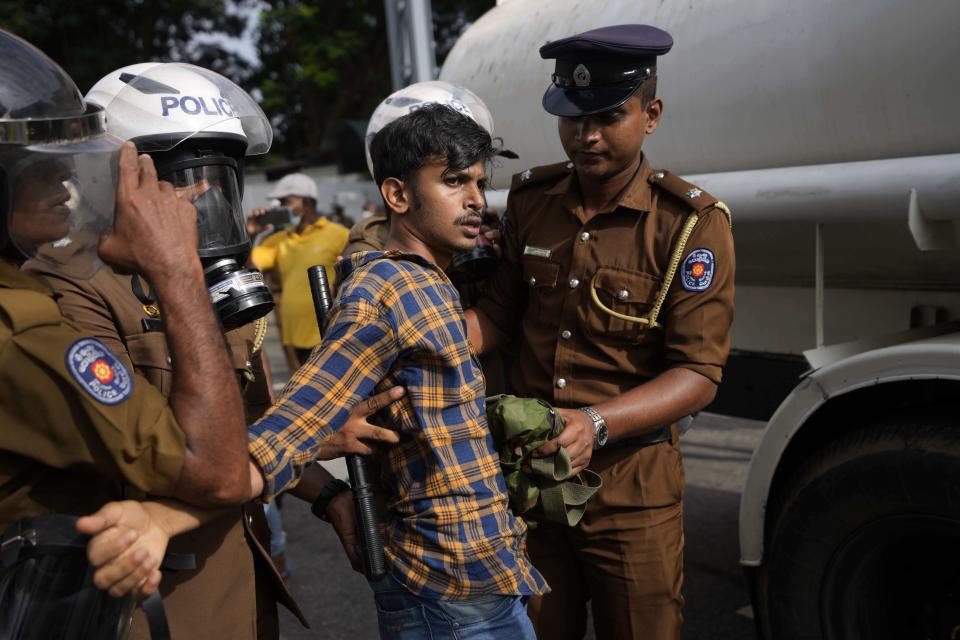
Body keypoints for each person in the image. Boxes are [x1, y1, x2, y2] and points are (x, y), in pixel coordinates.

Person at [83, 104, 548, 640]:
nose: (473, 199)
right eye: (452, 182)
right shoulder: (386, 290)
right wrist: (164, 520)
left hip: (481, 576)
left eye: (477, 183)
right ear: (397, 196)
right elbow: (298, 422)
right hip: (450, 596)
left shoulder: (433, 281)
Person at [465, 24, 736, 640]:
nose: (585, 136)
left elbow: (698, 373)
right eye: (571, 117)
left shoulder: (688, 225)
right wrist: (418, 333)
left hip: (630, 495)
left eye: (609, 116)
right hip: (531, 485)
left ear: (651, 115)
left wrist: (597, 423)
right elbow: (497, 319)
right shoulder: (532, 202)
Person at [23, 61, 305, 640]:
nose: (202, 199)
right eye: (178, 176)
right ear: (105, 179)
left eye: (219, 177)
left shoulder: (202, 285)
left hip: (241, 594)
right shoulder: (64, 289)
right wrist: (298, 442)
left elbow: (251, 421)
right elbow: (207, 470)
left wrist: (324, 489)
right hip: (158, 611)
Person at [248, 172, 349, 365]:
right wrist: (250, 236)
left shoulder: (339, 234)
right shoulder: (276, 241)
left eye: (285, 201)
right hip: (293, 337)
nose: (279, 207)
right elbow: (251, 270)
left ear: (307, 202)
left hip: (331, 333)